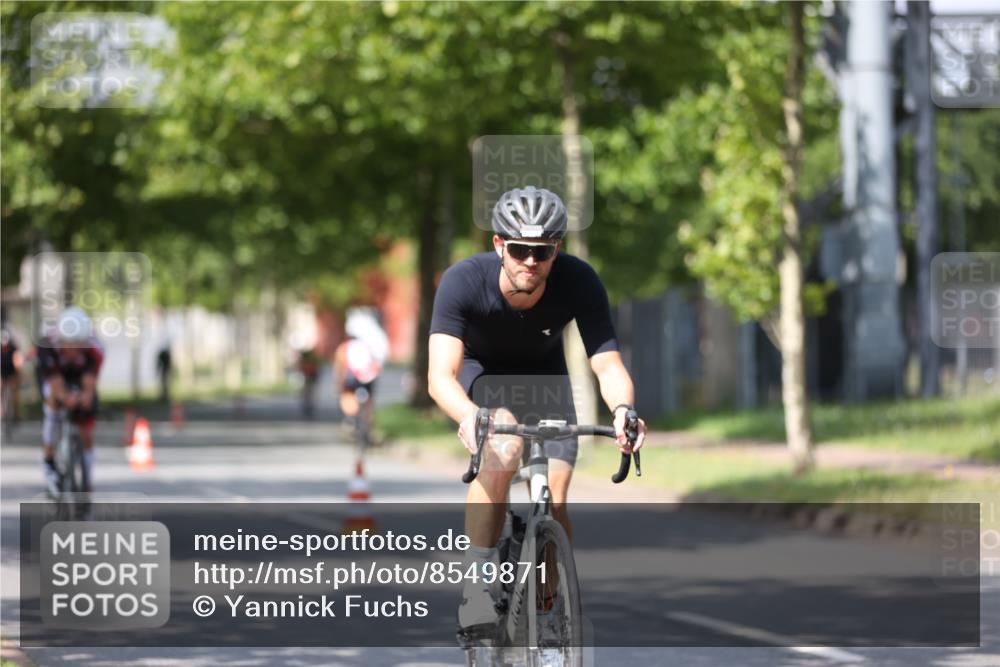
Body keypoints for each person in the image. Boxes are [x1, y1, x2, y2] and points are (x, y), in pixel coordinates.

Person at [427, 186, 647, 632]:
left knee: (556, 498)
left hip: (546, 380)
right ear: (498, 245)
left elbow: (608, 366)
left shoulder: (579, 280)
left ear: (557, 250)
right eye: (520, 249)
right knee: (504, 448)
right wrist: (470, 415)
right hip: (482, 374)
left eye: (542, 251)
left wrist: (623, 409)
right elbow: (439, 376)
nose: (530, 261)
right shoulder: (463, 281)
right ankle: (479, 584)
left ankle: (548, 617)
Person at [38, 307, 104, 498]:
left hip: (78, 376)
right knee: (53, 403)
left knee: (86, 424)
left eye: (79, 345)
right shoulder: (47, 346)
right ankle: (49, 460)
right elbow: (56, 383)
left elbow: (90, 381)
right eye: (70, 345)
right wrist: (66, 398)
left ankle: (87, 477)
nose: (74, 350)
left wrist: (85, 396)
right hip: (55, 375)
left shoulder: (95, 349)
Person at [333, 307, 388, 432]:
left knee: (349, 400)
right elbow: (377, 363)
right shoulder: (369, 346)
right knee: (368, 402)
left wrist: (338, 385)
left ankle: (350, 420)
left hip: (351, 379)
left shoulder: (344, 348)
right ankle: (368, 423)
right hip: (367, 378)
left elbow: (339, 368)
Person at [1, 327, 23, 426]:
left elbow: (17, 362)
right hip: (2, 372)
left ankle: (16, 413)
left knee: (14, 391)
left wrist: (18, 374)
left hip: (12, 372)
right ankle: (2, 412)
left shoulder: (14, 349)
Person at [296, 346, 321, 418]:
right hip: (307, 374)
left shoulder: (313, 354)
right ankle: (307, 403)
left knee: (309, 390)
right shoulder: (306, 354)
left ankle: (309, 403)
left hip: (311, 374)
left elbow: (317, 365)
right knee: (308, 390)